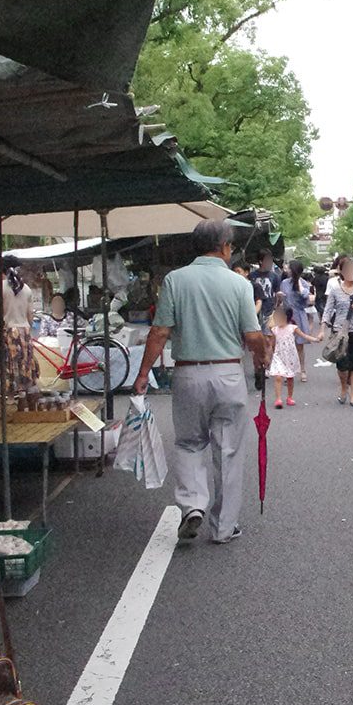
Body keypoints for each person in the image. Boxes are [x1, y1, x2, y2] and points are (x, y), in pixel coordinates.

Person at [134, 220, 266, 544]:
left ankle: (193, 504)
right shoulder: (239, 285)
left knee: (189, 442)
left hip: (188, 373)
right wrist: (262, 359)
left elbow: (159, 332)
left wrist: (141, 375)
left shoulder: (176, 281)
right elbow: (252, 335)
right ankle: (223, 528)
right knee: (229, 451)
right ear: (224, 247)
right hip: (228, 373)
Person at [320, 257, 353, 406]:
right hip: (340, 333)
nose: (351, 273)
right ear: (341, 271)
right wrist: (322, 329)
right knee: (342, 365)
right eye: (347, 270)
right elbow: (328, 310)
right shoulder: (335, 290)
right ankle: (344, 388)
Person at [0, 254, 39, 402]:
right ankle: (24, 401)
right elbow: (30, 316)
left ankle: (9, 403)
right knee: (24, 368)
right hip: (24, 332)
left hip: (8, 332)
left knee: (7, 369)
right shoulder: (26, 289)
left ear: (1, 270)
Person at [267, 306, 322, 408]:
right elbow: (271, 344)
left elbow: (304, 336)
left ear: (286, 317)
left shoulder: (293, 328)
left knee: (289, 378)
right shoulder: (274, 330)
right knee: (278, 377)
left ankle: (289, 397)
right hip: (278, 356)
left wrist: (315, 339)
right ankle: (278, 399)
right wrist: (267, 356)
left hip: (290, 356)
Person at [249, 249, 282, 392]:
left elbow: (276, 293)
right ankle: (258, 367)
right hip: (254, 313)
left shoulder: (275, 276)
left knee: (269, 341)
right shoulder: (251, 276)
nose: (269, 263)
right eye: (267, 260)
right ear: (261, 261)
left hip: (270, 311)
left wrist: (278, 304)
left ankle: (265, 366)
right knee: (256, 342)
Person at [280, 261, 316, 383]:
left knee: (299, 346)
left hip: (299, 316)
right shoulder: (284, 283)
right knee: (286, 345)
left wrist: (300, 286)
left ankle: (302, 369)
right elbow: (282, 299)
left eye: (289, 268)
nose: (287, 270)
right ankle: (288, 370)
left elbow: (307, 298)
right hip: (287, 316)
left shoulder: (303, 283)